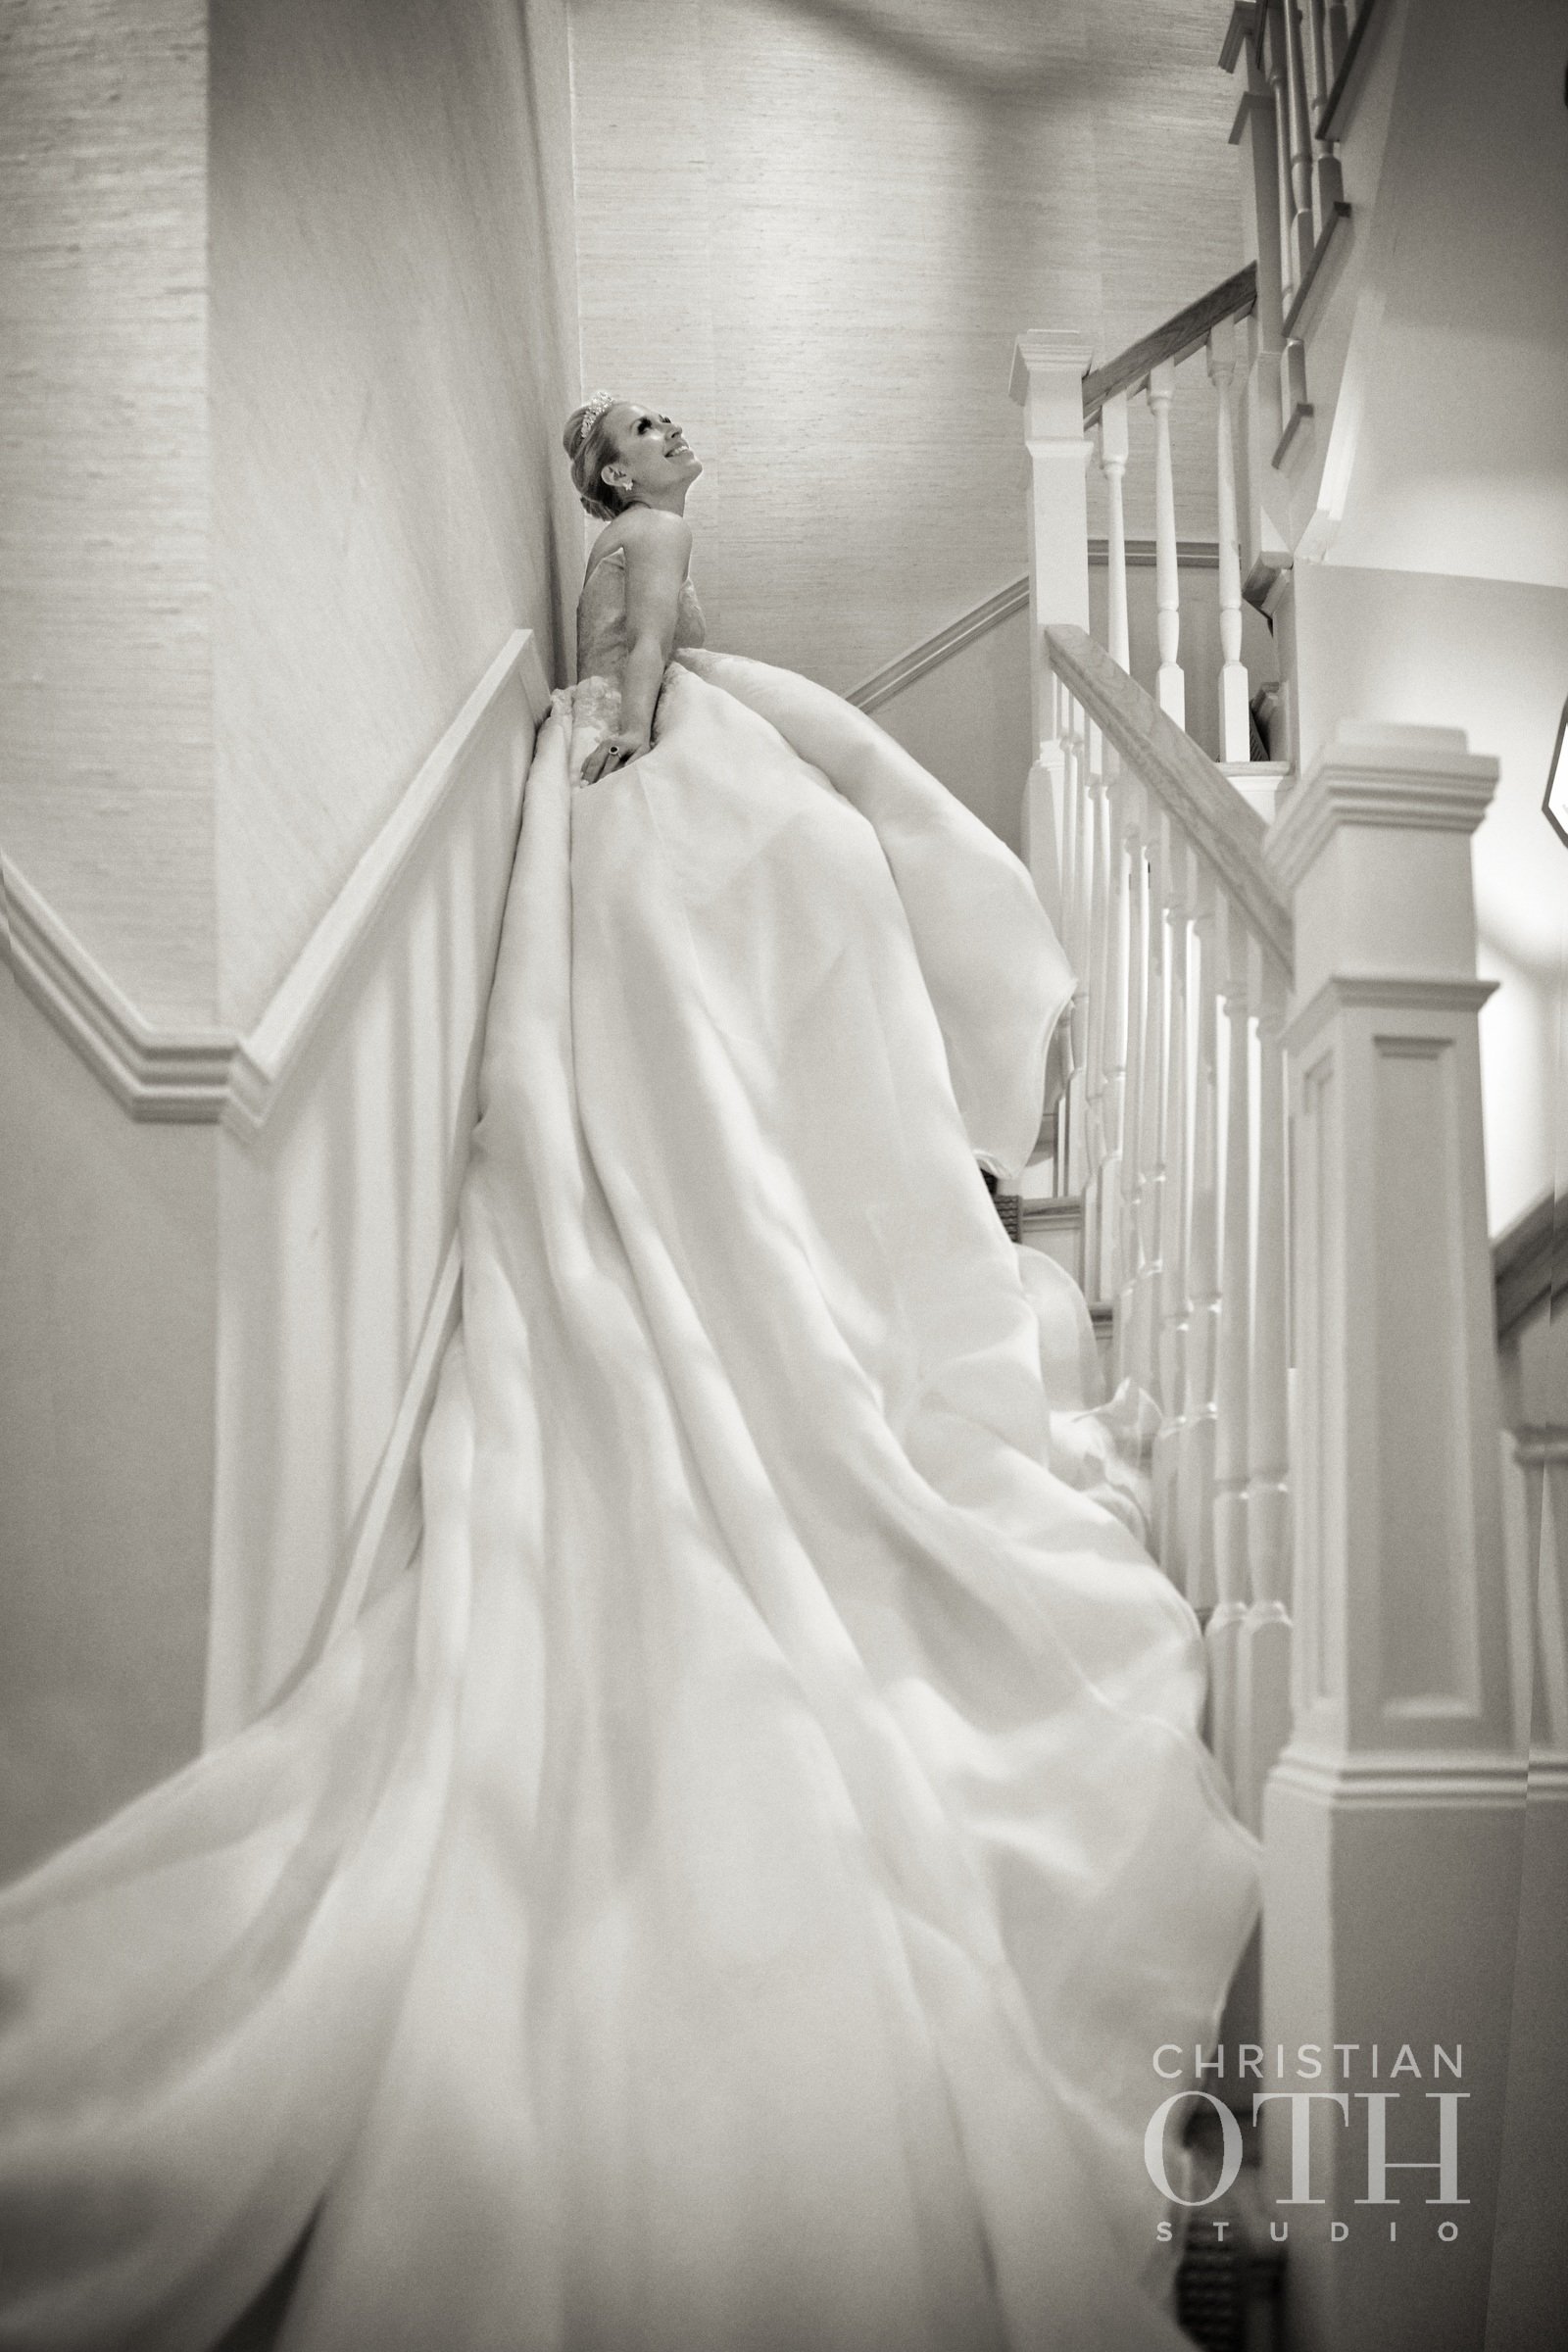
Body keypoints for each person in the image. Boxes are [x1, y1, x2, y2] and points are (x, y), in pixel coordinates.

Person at [0, 392, 1258, 2352]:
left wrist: (602, 731)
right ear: (625, 484)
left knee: (740, 1060)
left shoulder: (610, 584)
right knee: (739, 1038)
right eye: (643, 441)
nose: (672, 454)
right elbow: (643, 661)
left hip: (614, 765)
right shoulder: (650, 570)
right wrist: (631, 735)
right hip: (640, 771)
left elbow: (620, 661)